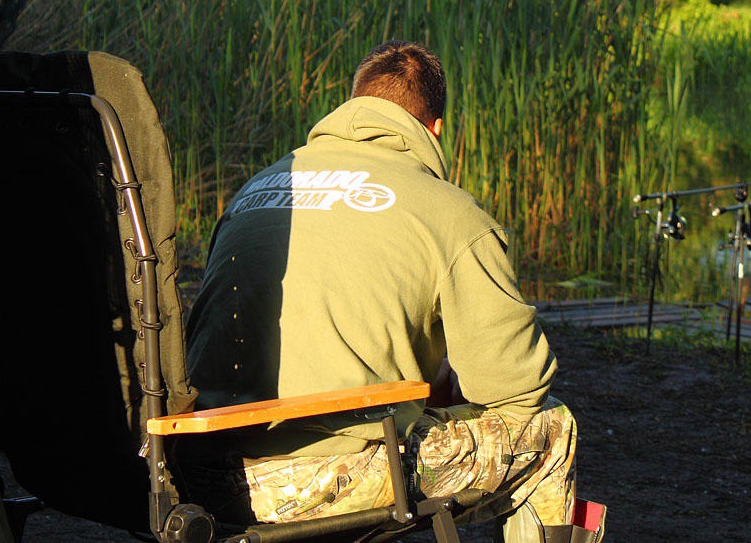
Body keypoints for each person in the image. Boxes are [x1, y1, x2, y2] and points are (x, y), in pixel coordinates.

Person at [180, 40, 595, 543]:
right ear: (434, 129)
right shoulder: (452, 212)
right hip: (312, 480)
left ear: (353, 105)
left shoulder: (256, 188)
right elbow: (516, 388)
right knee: (550, 429)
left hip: (196, 466)